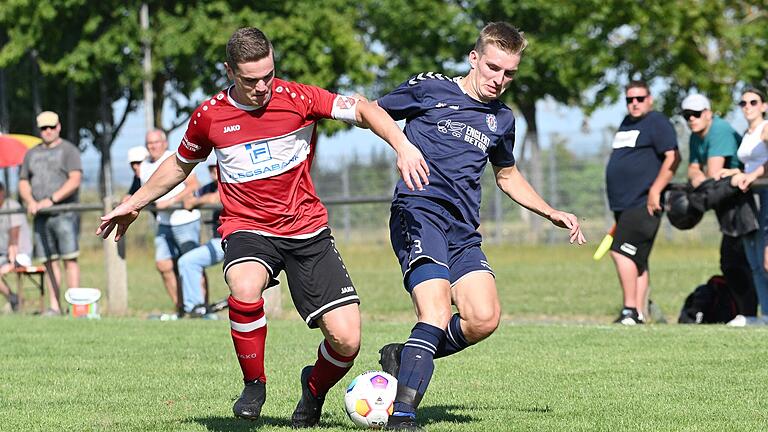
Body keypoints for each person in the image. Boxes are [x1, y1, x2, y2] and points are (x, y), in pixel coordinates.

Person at [97, 27, 428, 427]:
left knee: (347, 341)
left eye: (268, 75)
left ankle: (313, 389)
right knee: (244, 285)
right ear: (229, 72)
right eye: (250, 79)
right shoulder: (210, 115)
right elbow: (179, 165)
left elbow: (363, 108)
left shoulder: (299, 98)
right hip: (248, 227)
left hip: (307, 231)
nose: (261, 87)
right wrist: (133, 203)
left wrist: (403, 145)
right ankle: (254, 383)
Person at [374, 22, 585, 430]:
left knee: (484, 318)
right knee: (434, 311)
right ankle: (402, 415)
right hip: (419, 213)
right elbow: (373, 111)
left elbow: (506, 176)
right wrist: (402, 147)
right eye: (493, 68)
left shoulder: (502, 119)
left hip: (463, 231)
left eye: (509, 73)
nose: (500, 79)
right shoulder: (430, 88)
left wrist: (550, 211)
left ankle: (407, 355)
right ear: (474, 58)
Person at [605, 80, 680, 325]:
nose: (634, 103)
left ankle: (629, 310)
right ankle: (638, 312)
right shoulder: (627, 123)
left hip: (643, 202)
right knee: (637, 259)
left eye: (639, 98)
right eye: (629, 99)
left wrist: (655, 190)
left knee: (619, 252)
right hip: (623, 205)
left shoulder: (657, 122)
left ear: (650, 99)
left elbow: (673, 157)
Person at [682, 93, 758, 318]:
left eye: (696, 114)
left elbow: (712, 176)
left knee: (746, 263)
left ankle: (752, 315)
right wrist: (699, 178)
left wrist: (701, 179)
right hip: (726, 206)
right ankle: (747, 315)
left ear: (708, 113)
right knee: (732, 263)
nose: (692, 119)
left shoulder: (719, 130)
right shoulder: (696, 135)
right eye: (687, 115)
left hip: (745, 201)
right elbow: (693, 172)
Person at [19, 110, 82, 315]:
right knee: (49, 261)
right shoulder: (31, 153)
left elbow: (74, 179)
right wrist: (30, 201)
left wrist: (51, 200)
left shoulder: (69, 150)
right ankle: (54, 306)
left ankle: (74, 306)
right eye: (43, 128)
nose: (47, 131)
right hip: (40, 216)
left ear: (59, 127)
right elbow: (23, 182)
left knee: (69, 259)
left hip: (64, 214)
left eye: (51, 127)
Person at [721, 87, 768, 325]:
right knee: (755, 261)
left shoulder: (765, 128)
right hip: (751, 198)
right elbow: (751, 165)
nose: (748, 106)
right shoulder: (747, 133)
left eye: (753, 101)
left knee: (766, 259)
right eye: (743, 103)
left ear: (763, 105)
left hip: (766, 195)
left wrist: (753, 176)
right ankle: (765, 315)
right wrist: (737, 172)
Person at [140, 129, 201, 311]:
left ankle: (200, 307)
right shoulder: (144, 166)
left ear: (165, 143)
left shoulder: (177, 158)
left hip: (185, 220)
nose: (153, 146)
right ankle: (180, 307)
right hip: (163, 222)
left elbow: (193, 185)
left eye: (156, 142)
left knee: (191, 264)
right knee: (163, 264)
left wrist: (171, 201)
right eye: (149, 143)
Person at [177, 156, 224, 318]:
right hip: (220, 241)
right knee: (187, 262)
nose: (213, 171)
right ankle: (196, 309)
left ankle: (256, 311)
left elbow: (217, 197)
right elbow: (191, 197)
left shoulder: (232, 182)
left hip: (239, 239)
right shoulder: (209, 186)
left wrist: (196, 201)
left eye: (216, 167)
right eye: (210, 168)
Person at [0, 181, 33, 312]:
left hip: (20, 254)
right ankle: (13, 298)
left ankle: (14, 299)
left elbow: (14, 239)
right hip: (4, 255)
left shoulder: (11, 206)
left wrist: (12, 263)